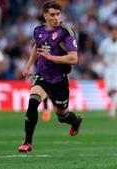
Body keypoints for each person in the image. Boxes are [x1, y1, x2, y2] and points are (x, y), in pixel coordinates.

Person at [18, 1, 82, 153]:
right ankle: (27, 143)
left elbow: (74, 59)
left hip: (60, 79)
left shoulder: (66, 32)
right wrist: (28, 66)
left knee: (63, 116)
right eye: (52, 15)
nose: (56, 18)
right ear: (45, 15)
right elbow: (37, 46)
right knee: (33, 102)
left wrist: (51, 57)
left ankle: (76, 121)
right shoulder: (38, 30)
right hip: (42, 75)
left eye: (58, 14)